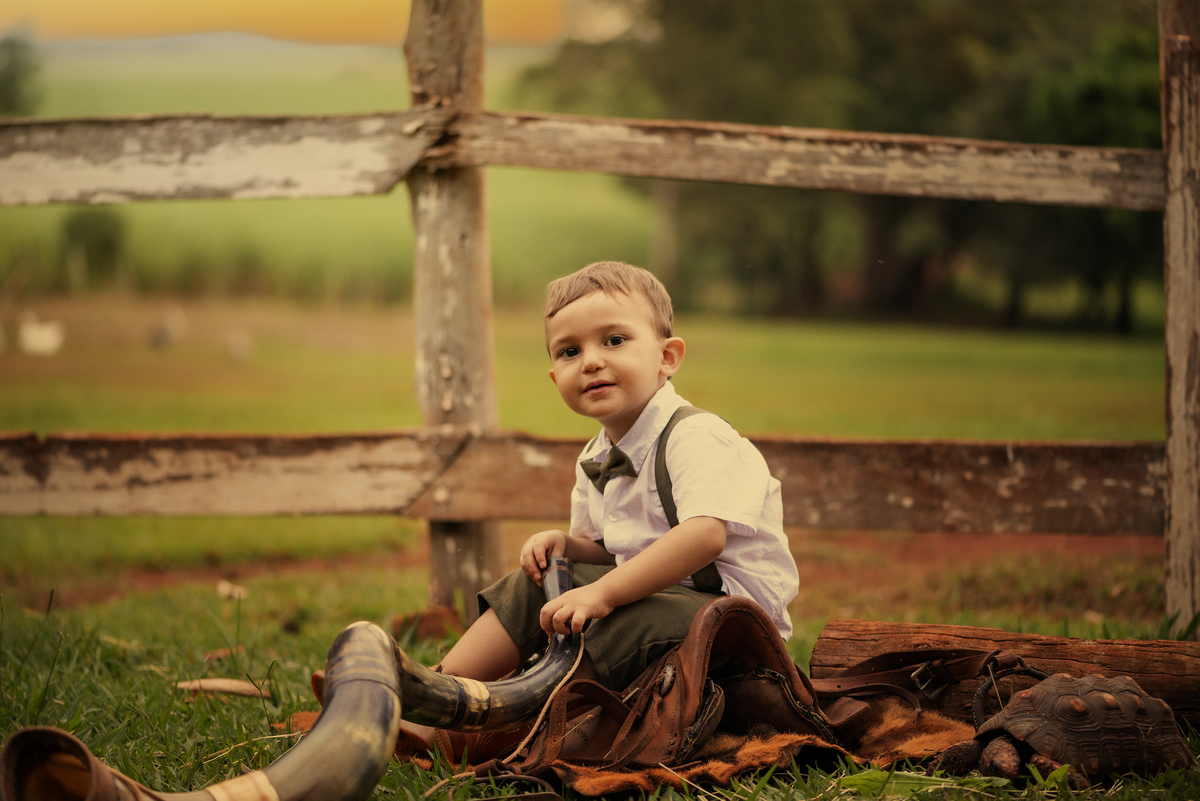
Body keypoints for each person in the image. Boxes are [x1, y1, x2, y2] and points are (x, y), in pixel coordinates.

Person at [407, 260, 798, 742]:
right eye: (571, 351)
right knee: (533, 585)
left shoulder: (697, 435)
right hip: (657, 597)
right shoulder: (596, 455)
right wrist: (567, 547)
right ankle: (434, 695)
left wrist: (603, 593)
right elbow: (611, 554)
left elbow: (703, 537)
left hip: (730, 622)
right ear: (556, 378)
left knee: (621, 617)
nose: (591, 360)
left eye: (614, 341)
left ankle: (518, 725)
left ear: (667, 357)